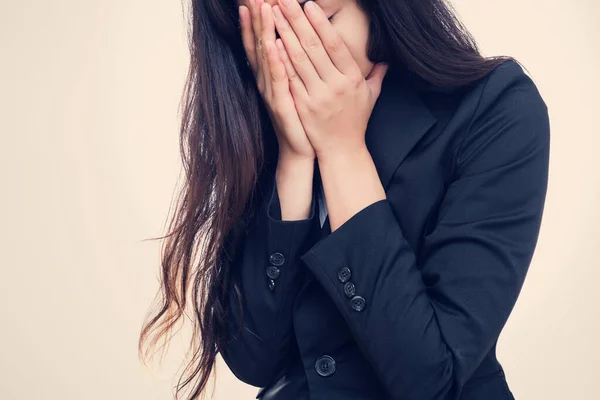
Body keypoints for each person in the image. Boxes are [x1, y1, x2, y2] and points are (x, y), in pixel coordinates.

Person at [138, 0, 550, 399]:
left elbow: (430, 380)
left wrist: (342, 152)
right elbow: (255, 360)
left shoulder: (495, 107)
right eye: (271, 32)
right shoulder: (265, 114)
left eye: (319, 16)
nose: (298, 49)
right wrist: (294, 158)